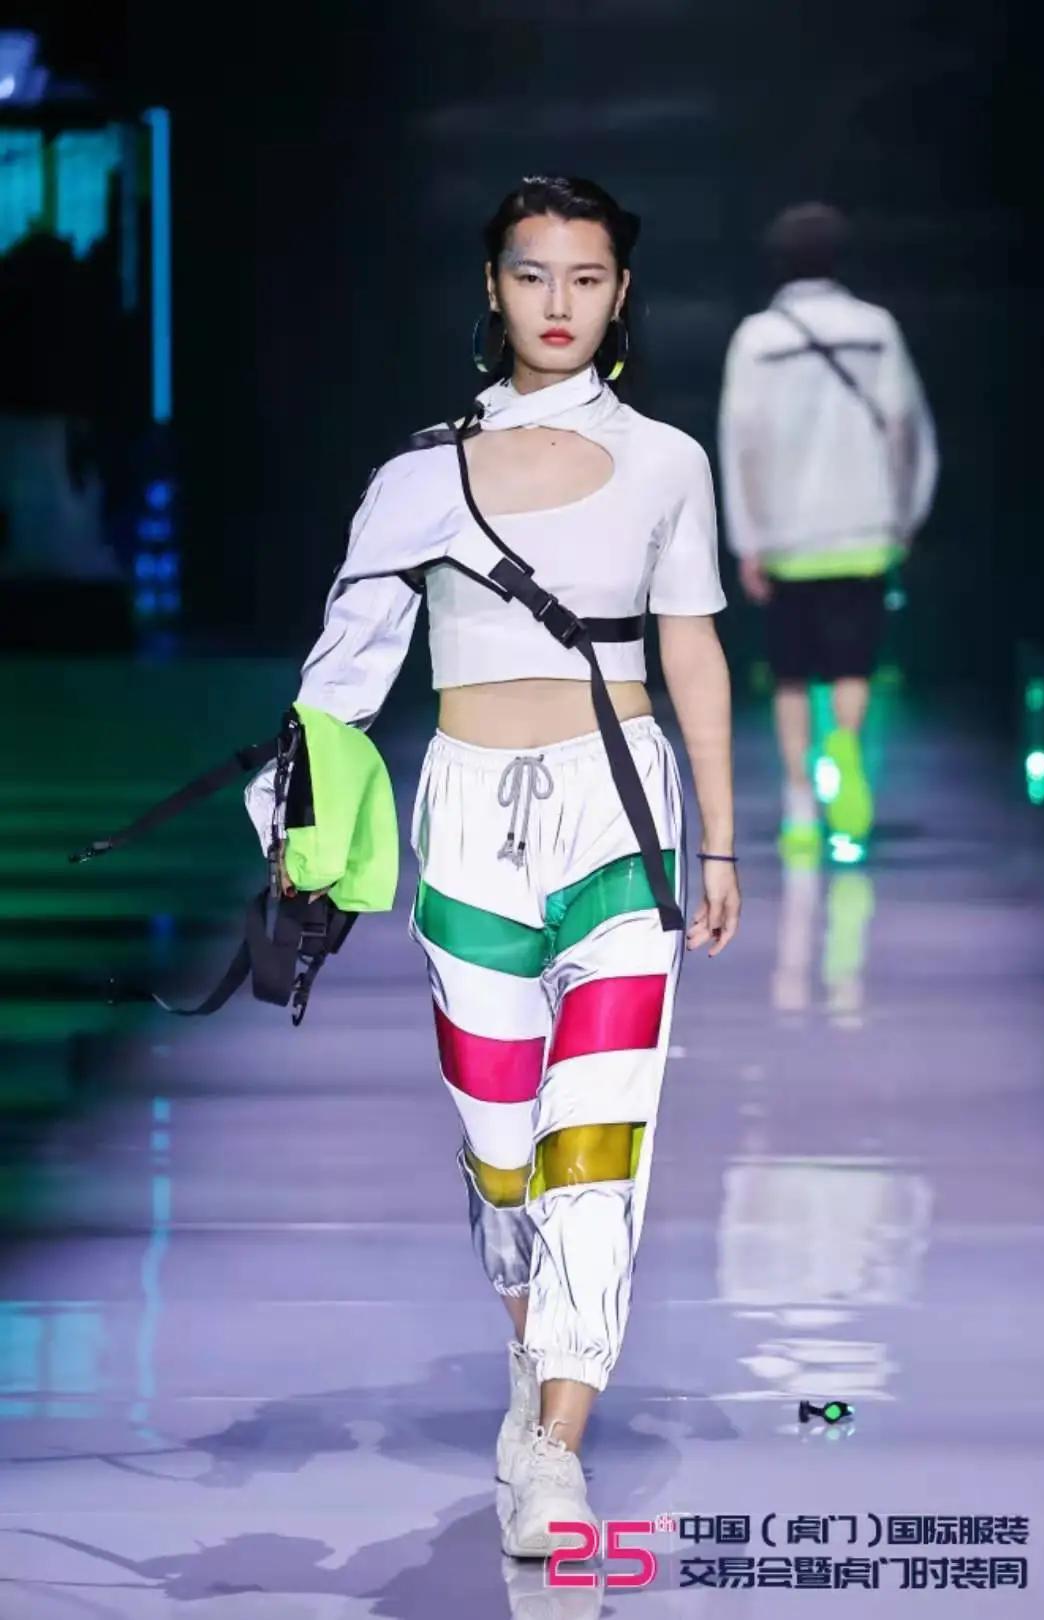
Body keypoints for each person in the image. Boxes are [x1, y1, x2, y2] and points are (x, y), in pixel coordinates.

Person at [245, 175, 740, 1557]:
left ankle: (555, 1444)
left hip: (620, 813)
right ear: (494, 287)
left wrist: (720, 836)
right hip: (467, 821)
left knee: (597, 1141)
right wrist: (293, 825)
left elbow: (692, 645)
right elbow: (341, 676)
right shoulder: (418, 478)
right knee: (501, 1151)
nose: (559, 302)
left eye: (586, 277)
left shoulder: (668, 463)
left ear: (621, 292)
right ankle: (536, 1364)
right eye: (534, 275)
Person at [718, 202, 938, 857]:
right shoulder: (876, 328)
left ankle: (799, 804)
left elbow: (739, 441)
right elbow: (906, 425)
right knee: (853, 664)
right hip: (863, 525)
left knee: (790, 674)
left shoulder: (756, 338)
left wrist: (746, 540)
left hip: (786, 535)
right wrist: (906, 514)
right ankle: (844, 748)